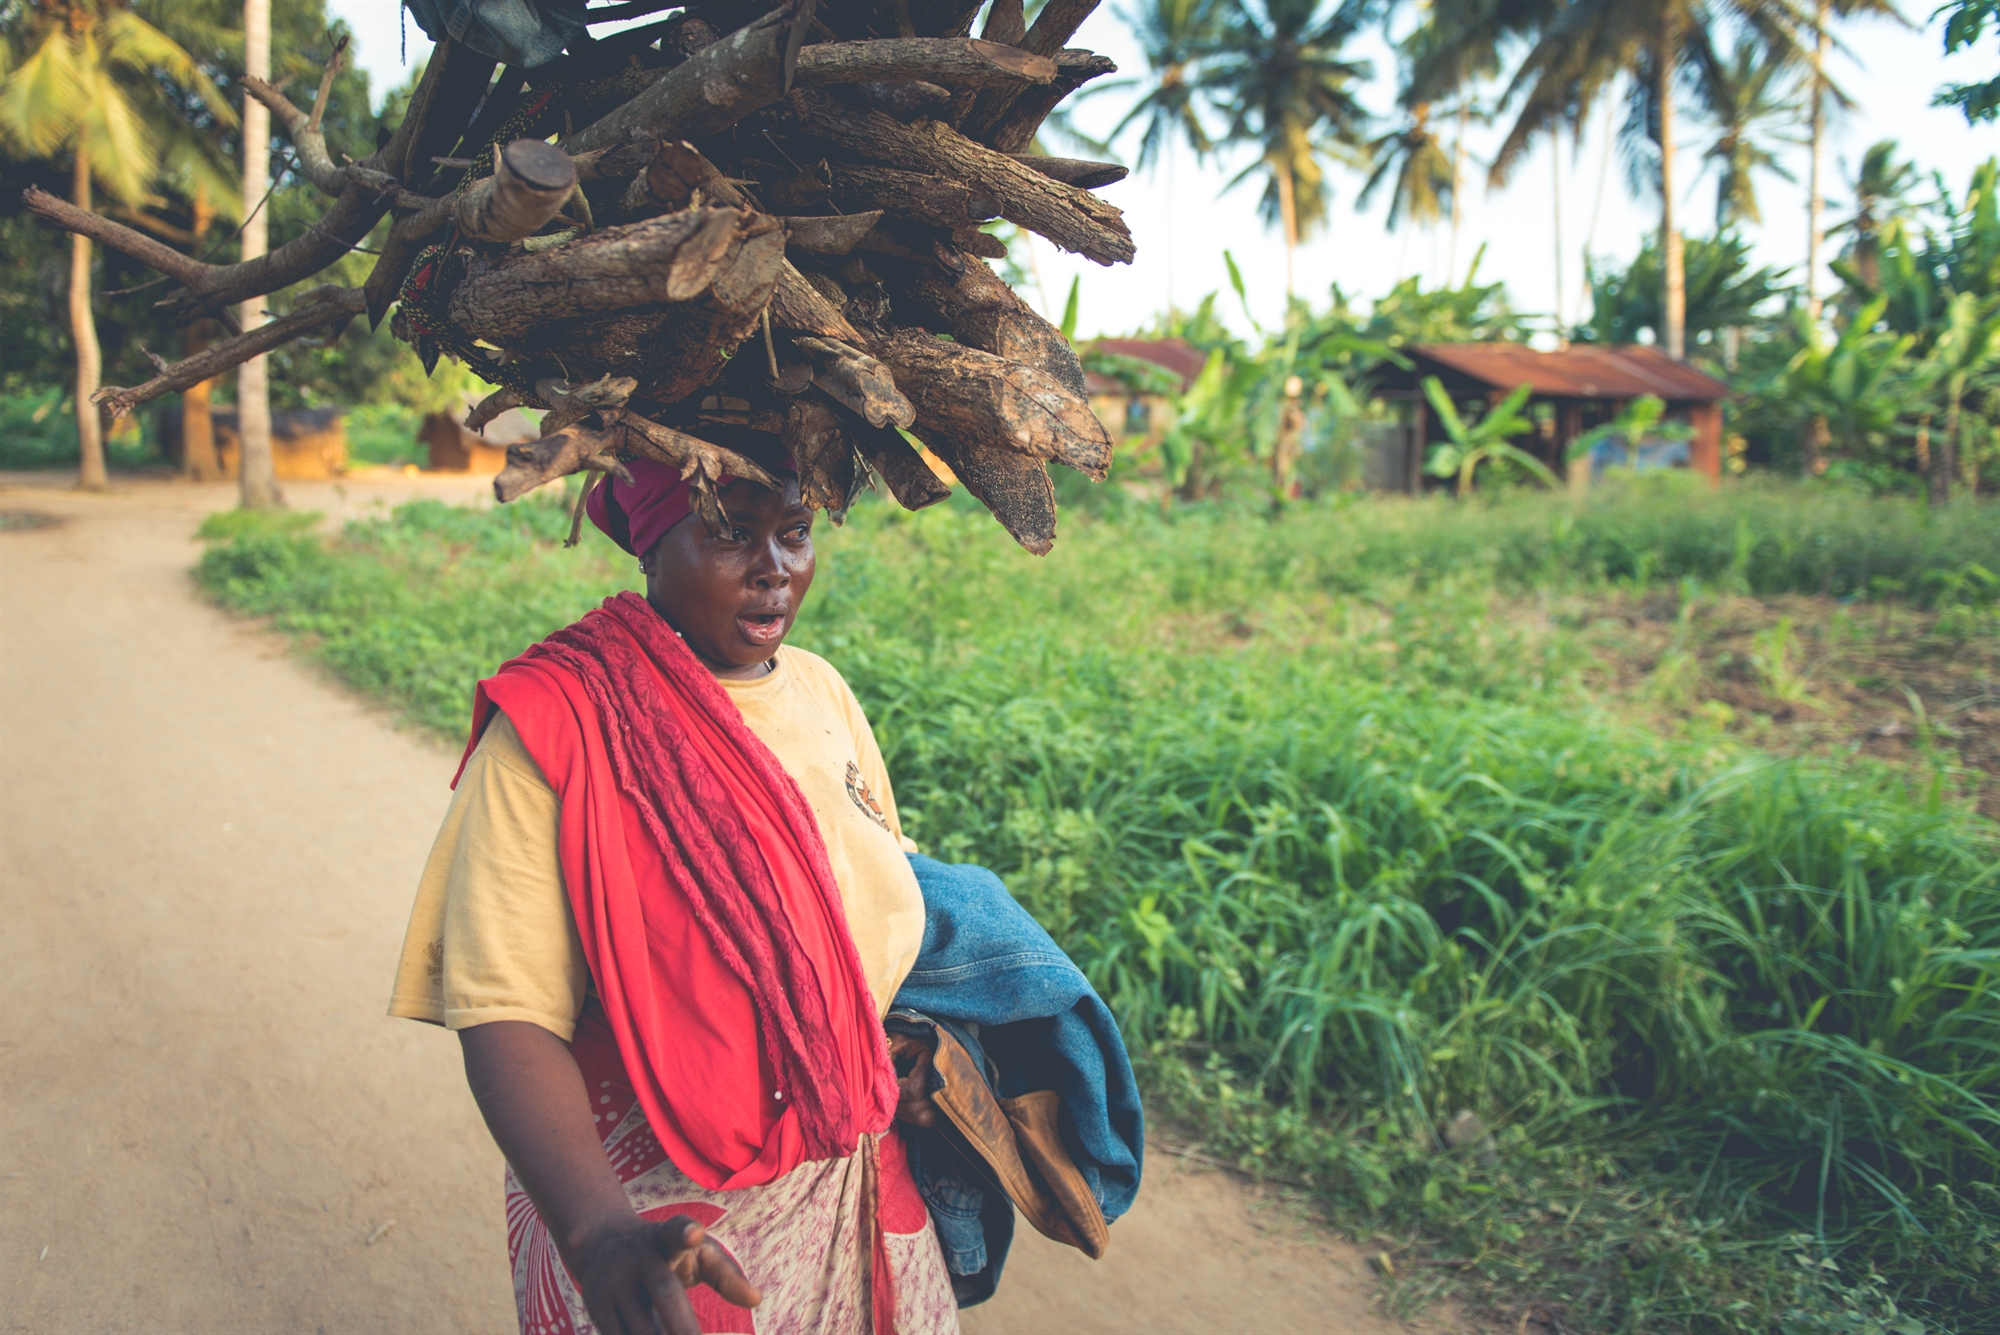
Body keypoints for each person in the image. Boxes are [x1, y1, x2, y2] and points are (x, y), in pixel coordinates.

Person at [389, 448, 959, 1335]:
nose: (774, 568)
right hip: (663, 1218)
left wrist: (908, 1046)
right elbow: (504, 1006)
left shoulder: (822, 692)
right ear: (651, 543)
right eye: (731, 533)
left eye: (795, 533)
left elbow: (864, 902)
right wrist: (598, 1232)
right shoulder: (558, 728)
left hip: (859, 1175)